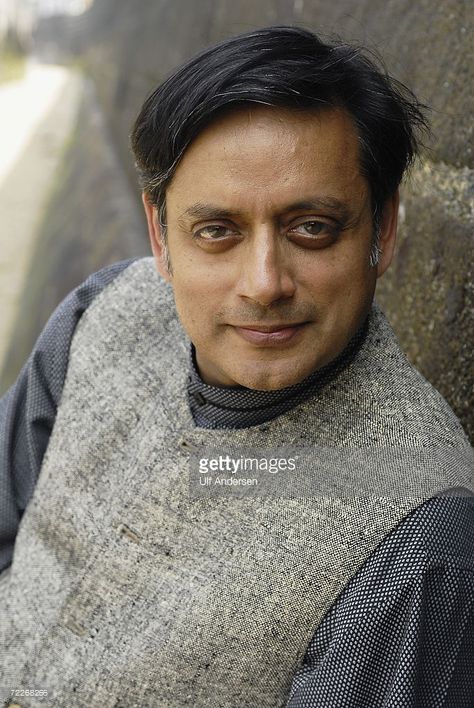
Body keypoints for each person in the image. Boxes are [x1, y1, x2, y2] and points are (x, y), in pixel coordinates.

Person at [0, 25, 473, 708]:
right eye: (216, 231)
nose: (263, 283)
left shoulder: (416, 541)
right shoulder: (102, 311)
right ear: (161, 237)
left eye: (312, 227)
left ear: (385, 232)